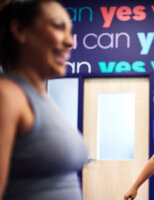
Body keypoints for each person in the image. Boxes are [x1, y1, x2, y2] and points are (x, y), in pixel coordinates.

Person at [0, 0, 88, 199]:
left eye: (70, 30)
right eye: (58, 27)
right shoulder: (7, 96)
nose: (70, 42)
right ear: (20, 30)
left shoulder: (43, 99)